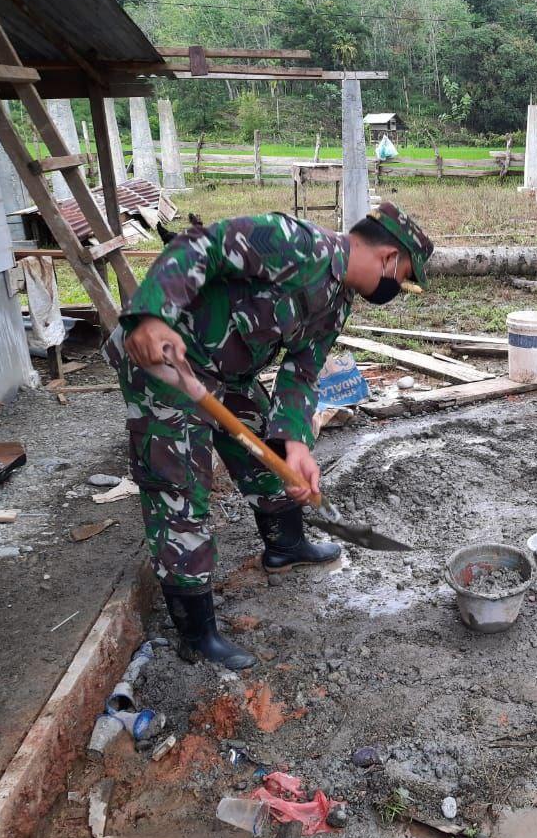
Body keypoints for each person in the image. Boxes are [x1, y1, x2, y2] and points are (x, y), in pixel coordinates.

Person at [105, 204, 434, 669]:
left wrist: (296, 444)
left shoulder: (337, 301)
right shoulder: (294, 243)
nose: (396, 287)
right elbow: (200, 244)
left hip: (227, 375)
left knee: (269, 454)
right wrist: (150, 315)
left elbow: (302, 370)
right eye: (402, 277)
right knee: (179, 492)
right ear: (387, 258)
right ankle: (196, 633)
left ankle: (285, 545)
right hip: (166, 362)